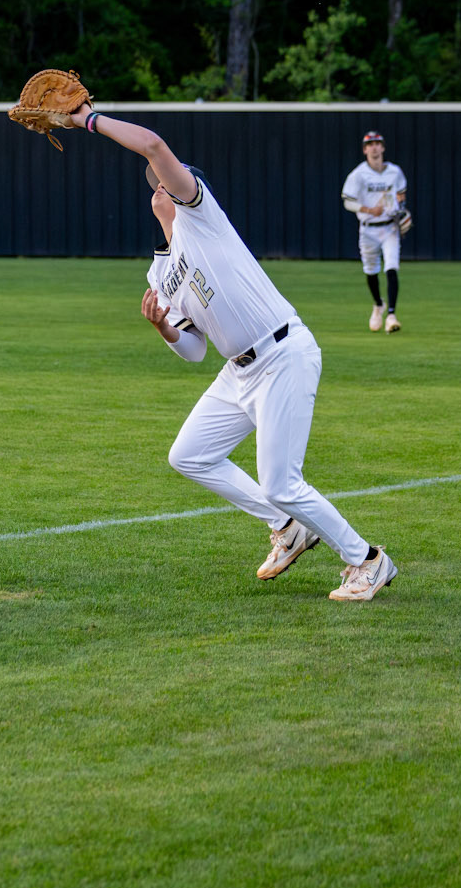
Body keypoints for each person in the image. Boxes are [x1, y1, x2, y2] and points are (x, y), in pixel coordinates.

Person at [66, 100, 397, 602]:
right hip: (237, 371)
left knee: (282, 481)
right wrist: (163, 328)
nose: (160, 186)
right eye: (157, 183)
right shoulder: (159, 273)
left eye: (167, 180)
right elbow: (195, 351)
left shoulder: (201, 217)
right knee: (189, 455)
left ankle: (367, 560)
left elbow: (152, 145)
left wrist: (87, 120)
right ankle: (287, 527)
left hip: (282, 353)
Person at [341, 130, 409, 333]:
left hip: (389, 227)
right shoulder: (358, 174)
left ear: (383, 147)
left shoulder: (394, 172)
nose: (374, 147)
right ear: (365, 150)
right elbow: (348, 202)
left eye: (378, 143)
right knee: (371, 271)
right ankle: (378, 304)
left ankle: (392, 315)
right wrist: (369, 210)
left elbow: (401, 194)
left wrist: (401, 210)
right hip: (368, 228)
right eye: (370, 144)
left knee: (391, 266)